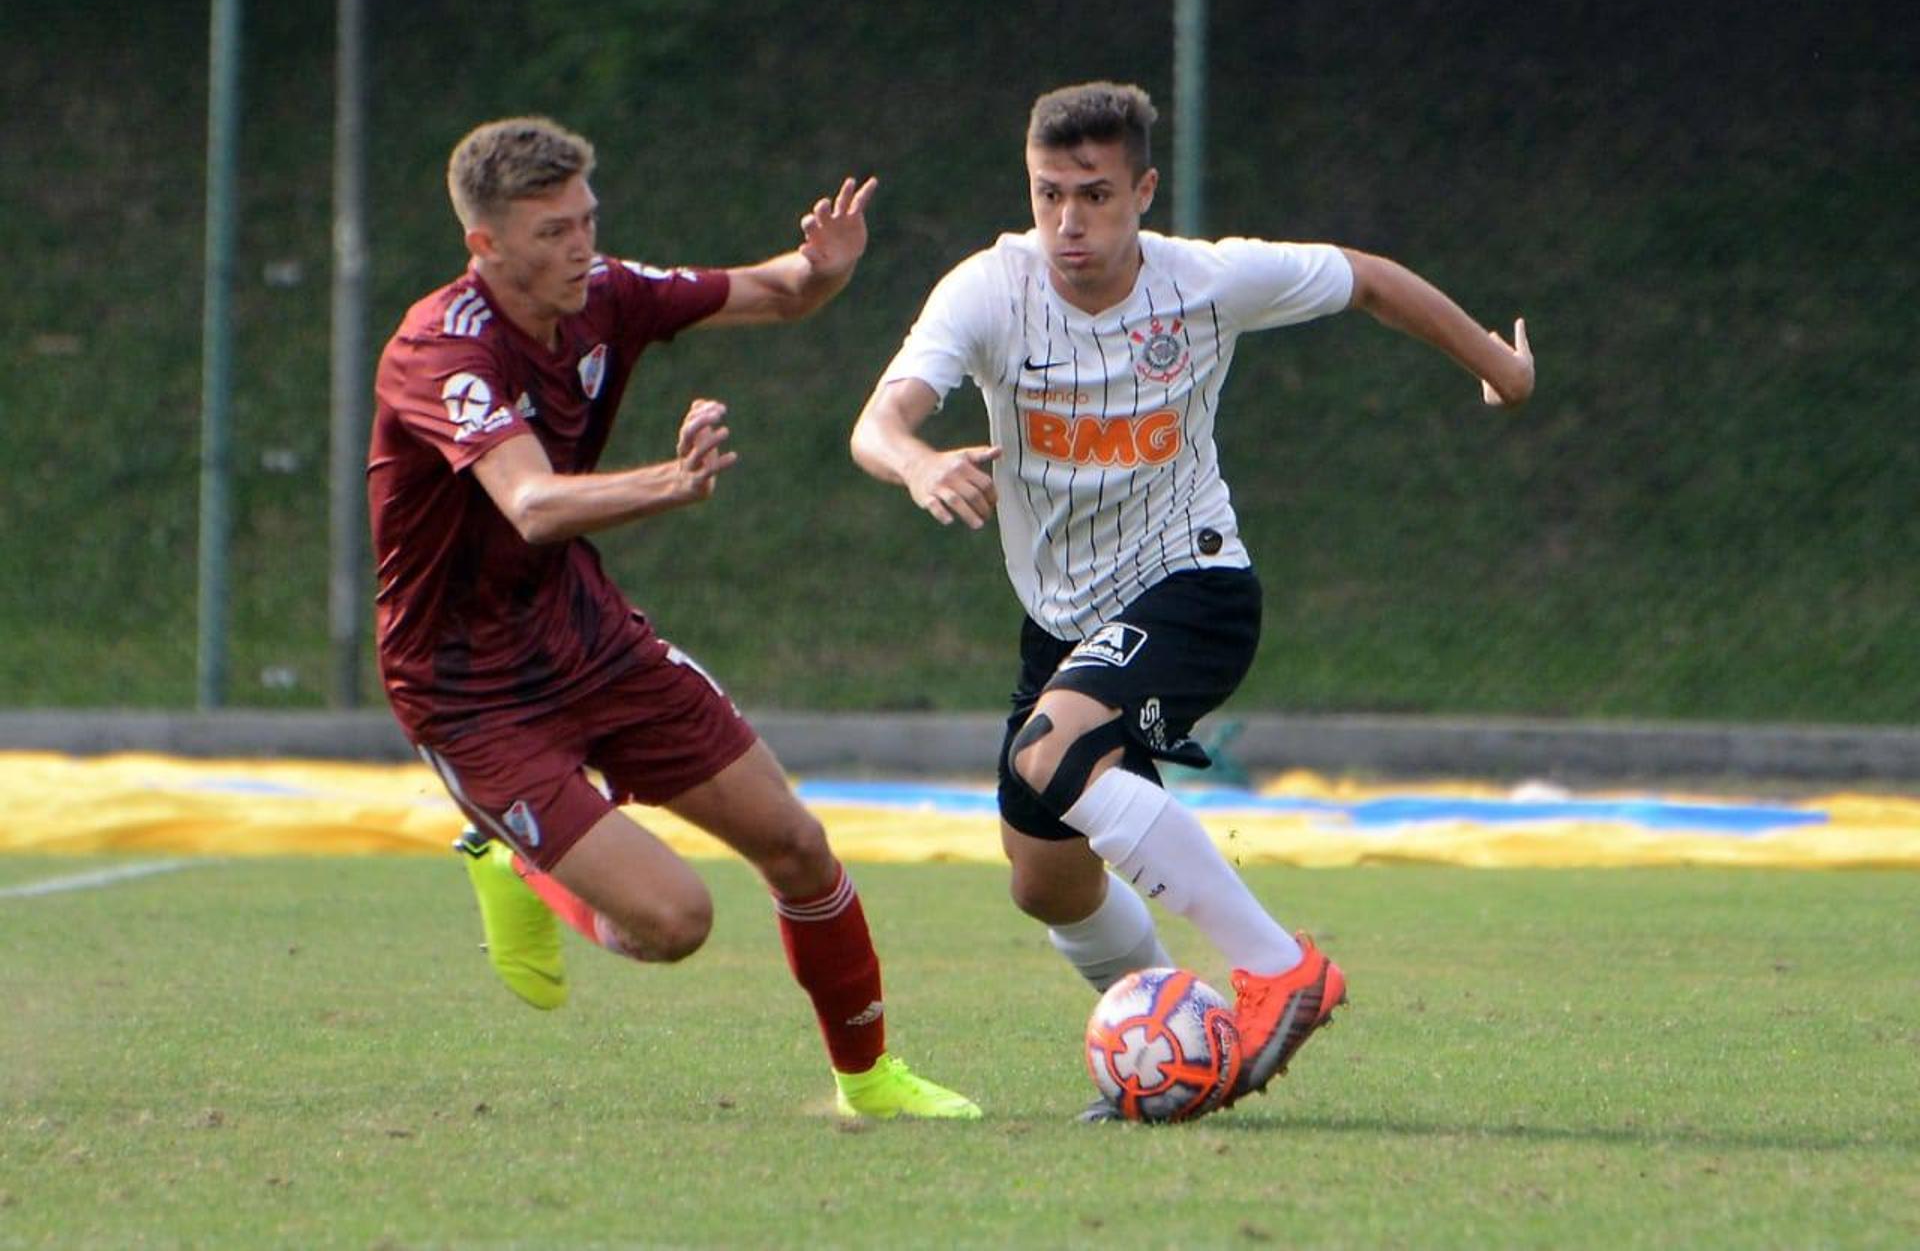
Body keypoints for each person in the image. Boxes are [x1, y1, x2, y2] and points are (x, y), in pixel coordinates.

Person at [850, 82, 1534, 1118]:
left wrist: (1497, 365)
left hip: (1193, 586)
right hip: (1063, 626)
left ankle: (1277, 970)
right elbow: (878, 421)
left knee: (1054, 751)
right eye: (1048, 196)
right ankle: (1184, 1041)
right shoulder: (989, 291)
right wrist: (913, 464)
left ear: (1144, 191)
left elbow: (1369, 281)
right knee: (1047, 882)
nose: (1069, 223)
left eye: (1095, 195)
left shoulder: (1203, 282)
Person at [368, 115, 977, 1120]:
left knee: (797, 844)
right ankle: (525, 865)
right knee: (676, 922)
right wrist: (672, 482)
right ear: (486, 246)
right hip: (468, 690)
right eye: (552, 230)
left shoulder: (605, 293)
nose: (581, 246)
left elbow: (777, 290)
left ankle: (870, 1082)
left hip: (585, 635)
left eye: (587, 219)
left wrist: (827, 268)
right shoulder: (442, 350)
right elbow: (529, 503)